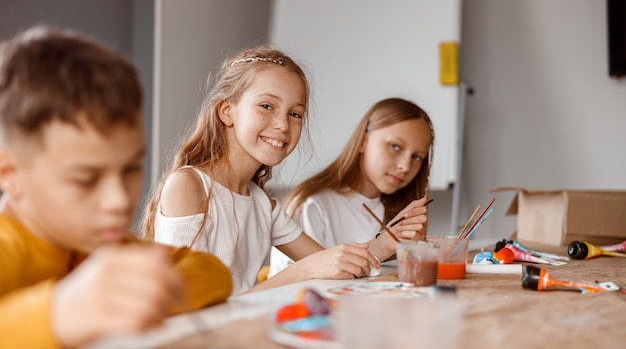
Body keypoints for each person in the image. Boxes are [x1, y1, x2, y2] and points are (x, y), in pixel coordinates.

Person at [0, 25, 232, 349]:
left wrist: (146, 297)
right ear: (10, 174)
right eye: (86, 179)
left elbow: (214, 270)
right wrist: (58, 314)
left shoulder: (102, 244)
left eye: (131, 168)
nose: (120, 200)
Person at [140, 46, 426, 295]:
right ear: (227, 112)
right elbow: (190, 309)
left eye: (295, 114)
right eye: (267, 106)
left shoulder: (263, 204)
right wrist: (301, 272)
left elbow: (336, 264)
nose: (282, 124)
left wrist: (389, 241)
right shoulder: (187, 186)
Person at [270, 97, 434, 276]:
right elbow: (299, 285)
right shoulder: (312, 206)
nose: (405, 166)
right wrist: (382, 246)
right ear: (363, 141)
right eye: (395, 146)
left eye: (417, 157)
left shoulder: (400, 210)